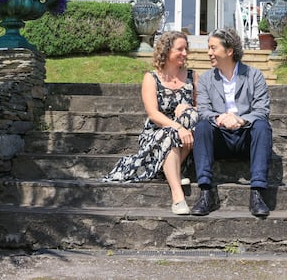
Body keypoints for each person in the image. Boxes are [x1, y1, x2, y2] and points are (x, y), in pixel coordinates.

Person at [103, 30, 199, 215]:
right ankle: (177, 196)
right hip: (156, 133)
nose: (185, 53)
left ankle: (170, 168)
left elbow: (203, 108)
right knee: (170, 133)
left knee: (191, 116)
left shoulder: (192, 76)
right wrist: (177, 127)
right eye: (180, 49)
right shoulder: (151, 78)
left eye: (186, 49)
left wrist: (188, 110)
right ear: (166, 50)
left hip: (186, 139)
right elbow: (153, 114)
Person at [190, 27, 273, 217]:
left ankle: (257, 193)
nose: (209, 52)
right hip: (220, 136)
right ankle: (205, 193)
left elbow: (262, 110)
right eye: (208, 48)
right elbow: (203, 111)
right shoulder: (206, 80)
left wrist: (240, 119)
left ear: (229, 51)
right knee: (202, 126)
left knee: (262, 126)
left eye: (213, 48)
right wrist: (221, 118)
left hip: (246, 136)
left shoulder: (254, 76)